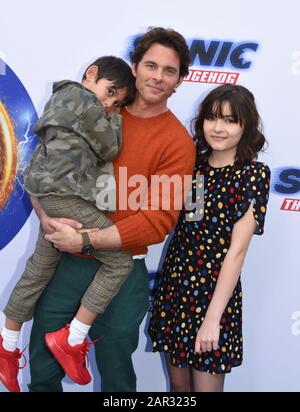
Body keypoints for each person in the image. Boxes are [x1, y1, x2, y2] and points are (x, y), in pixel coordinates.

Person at [22, 27, 196, 392]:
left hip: (121, 270)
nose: (158, 77)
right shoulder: (95, 109)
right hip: (65, 263)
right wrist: (44, 214)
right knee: (42, 365)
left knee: (116, 376)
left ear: (180, 80)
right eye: (151, 65)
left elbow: (158, 222)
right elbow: (42, 165)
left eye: (169, 70)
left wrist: (85, 239)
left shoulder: (178, 142)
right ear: (134, 67)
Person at [0, 56, 136, 392]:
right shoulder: (82, 100)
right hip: (69, 199)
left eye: (116, 103)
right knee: (119, 261)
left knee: (37, 272)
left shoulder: (62, 102)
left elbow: (36, 166)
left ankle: (6, 345)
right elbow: (111, 146)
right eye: (110, 93)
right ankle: (72, 337)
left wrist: (45, 212)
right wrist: (116, 119)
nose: (108, 104)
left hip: (53, 200)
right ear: (92, 75)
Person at [148, 84, 271, 392]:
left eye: (230, 120)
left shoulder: (252, 175)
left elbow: (237, 253)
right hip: (176, 289)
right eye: (212, 118)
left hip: (214, 297)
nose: (218, 128)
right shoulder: (194, 167)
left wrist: (213, 318)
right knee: (179, 390)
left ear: (246, 126)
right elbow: (188, 225)